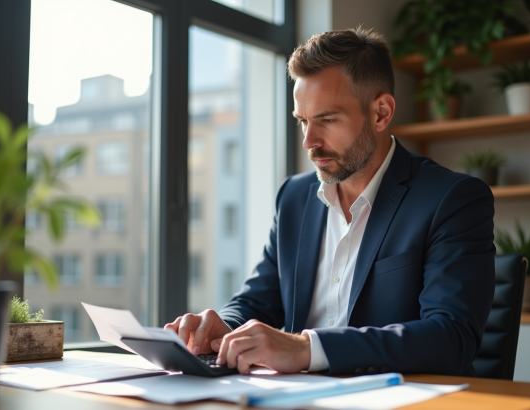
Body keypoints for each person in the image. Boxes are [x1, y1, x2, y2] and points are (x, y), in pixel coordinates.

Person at [165, 27, 495, 376]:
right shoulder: (293, 197)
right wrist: (225, 327)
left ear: (381, 113)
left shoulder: (452, 199)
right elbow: (259, 299)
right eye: (303, 121)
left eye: (327, 120)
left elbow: (451, 338)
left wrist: (308, 349)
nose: (309, 141)